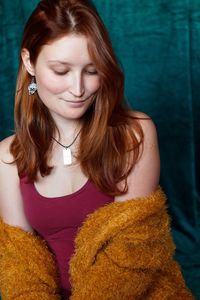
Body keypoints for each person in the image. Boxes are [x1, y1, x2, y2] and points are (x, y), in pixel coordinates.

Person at [0, 0, 194, 299]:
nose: (78, 89)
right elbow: (21, 265)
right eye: (61, 70)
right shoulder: (7, 157)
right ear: (29, 62)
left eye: (91, 71)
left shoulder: (134, 134)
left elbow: (131, 255)